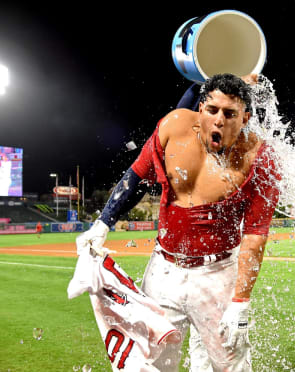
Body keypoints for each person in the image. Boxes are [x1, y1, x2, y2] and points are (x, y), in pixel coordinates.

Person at [76, 73, 281, 372]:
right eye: (212, 110)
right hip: (164, 268)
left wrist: (241, 302)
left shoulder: (261, 158)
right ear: (200, 110)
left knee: (231, 366)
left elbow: (255, 236)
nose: (219, 121)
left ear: (245, 117)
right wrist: (103, 223)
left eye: (230, 113)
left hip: (218, 273)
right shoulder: (172, 128)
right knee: (152, 363)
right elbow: (136, 177)